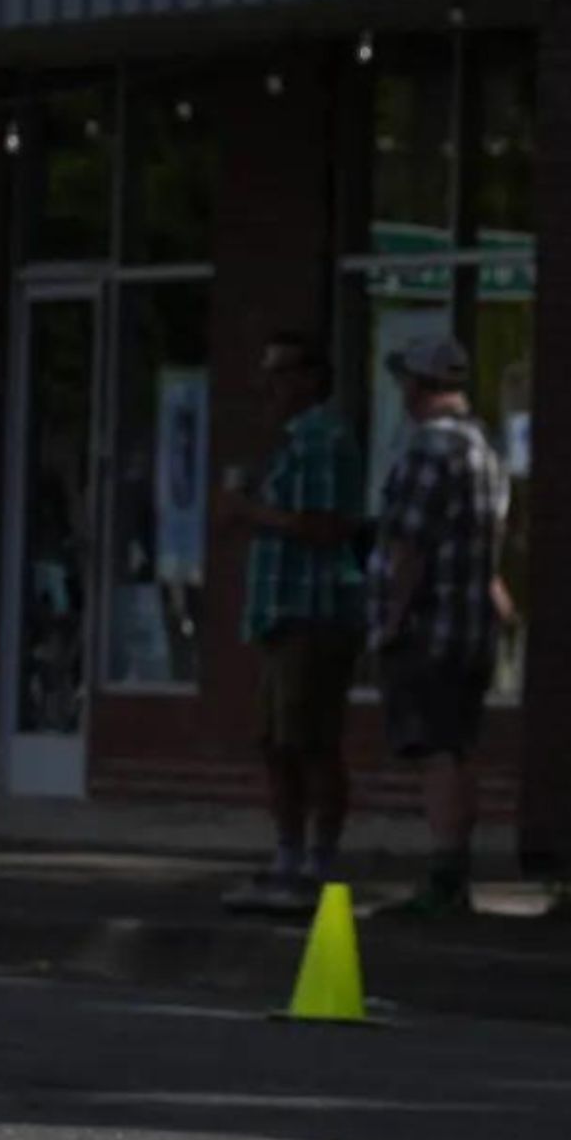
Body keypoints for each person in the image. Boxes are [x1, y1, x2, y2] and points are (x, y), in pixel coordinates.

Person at [217, 332, 366, 914]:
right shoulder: (288, 444)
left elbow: (328, 528)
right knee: (275, 741)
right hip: (278, 614)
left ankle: (319, 862)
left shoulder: (324, 439)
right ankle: (286, 854)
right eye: (266, 372)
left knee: (311, 741)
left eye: (279, 372)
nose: (269, 385)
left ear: (311, 378)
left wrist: (251, 511)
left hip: (316, 611)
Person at [368, 334, 514, 917]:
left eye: (406, 379)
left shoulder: (431, 450)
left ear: (421, 385)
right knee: (459, 746)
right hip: (473, 625)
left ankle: (444, 875)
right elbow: (492, 540)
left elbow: (410, 548)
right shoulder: (485, 447)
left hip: (433, 627)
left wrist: (390, 622)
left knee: (436, 751)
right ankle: (453, 869)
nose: (401, 390)